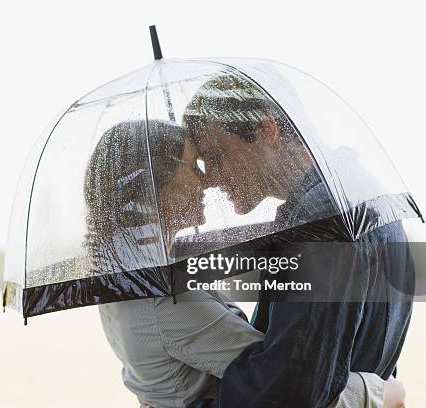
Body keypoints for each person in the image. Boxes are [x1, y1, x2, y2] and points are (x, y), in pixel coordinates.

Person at [83, 119, 405, 408]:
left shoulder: (122, 276)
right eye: (194, 164)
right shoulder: (162, 296)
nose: (206, 179)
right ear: (155, 184)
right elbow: (280, 378)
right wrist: (382, 393)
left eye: (213, 158)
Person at [182, 71, 414, 408]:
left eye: (215, 157)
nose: (210, 180)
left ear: (266, 130)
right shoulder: (356, 192)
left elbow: (290, 388)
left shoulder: (323, 219)